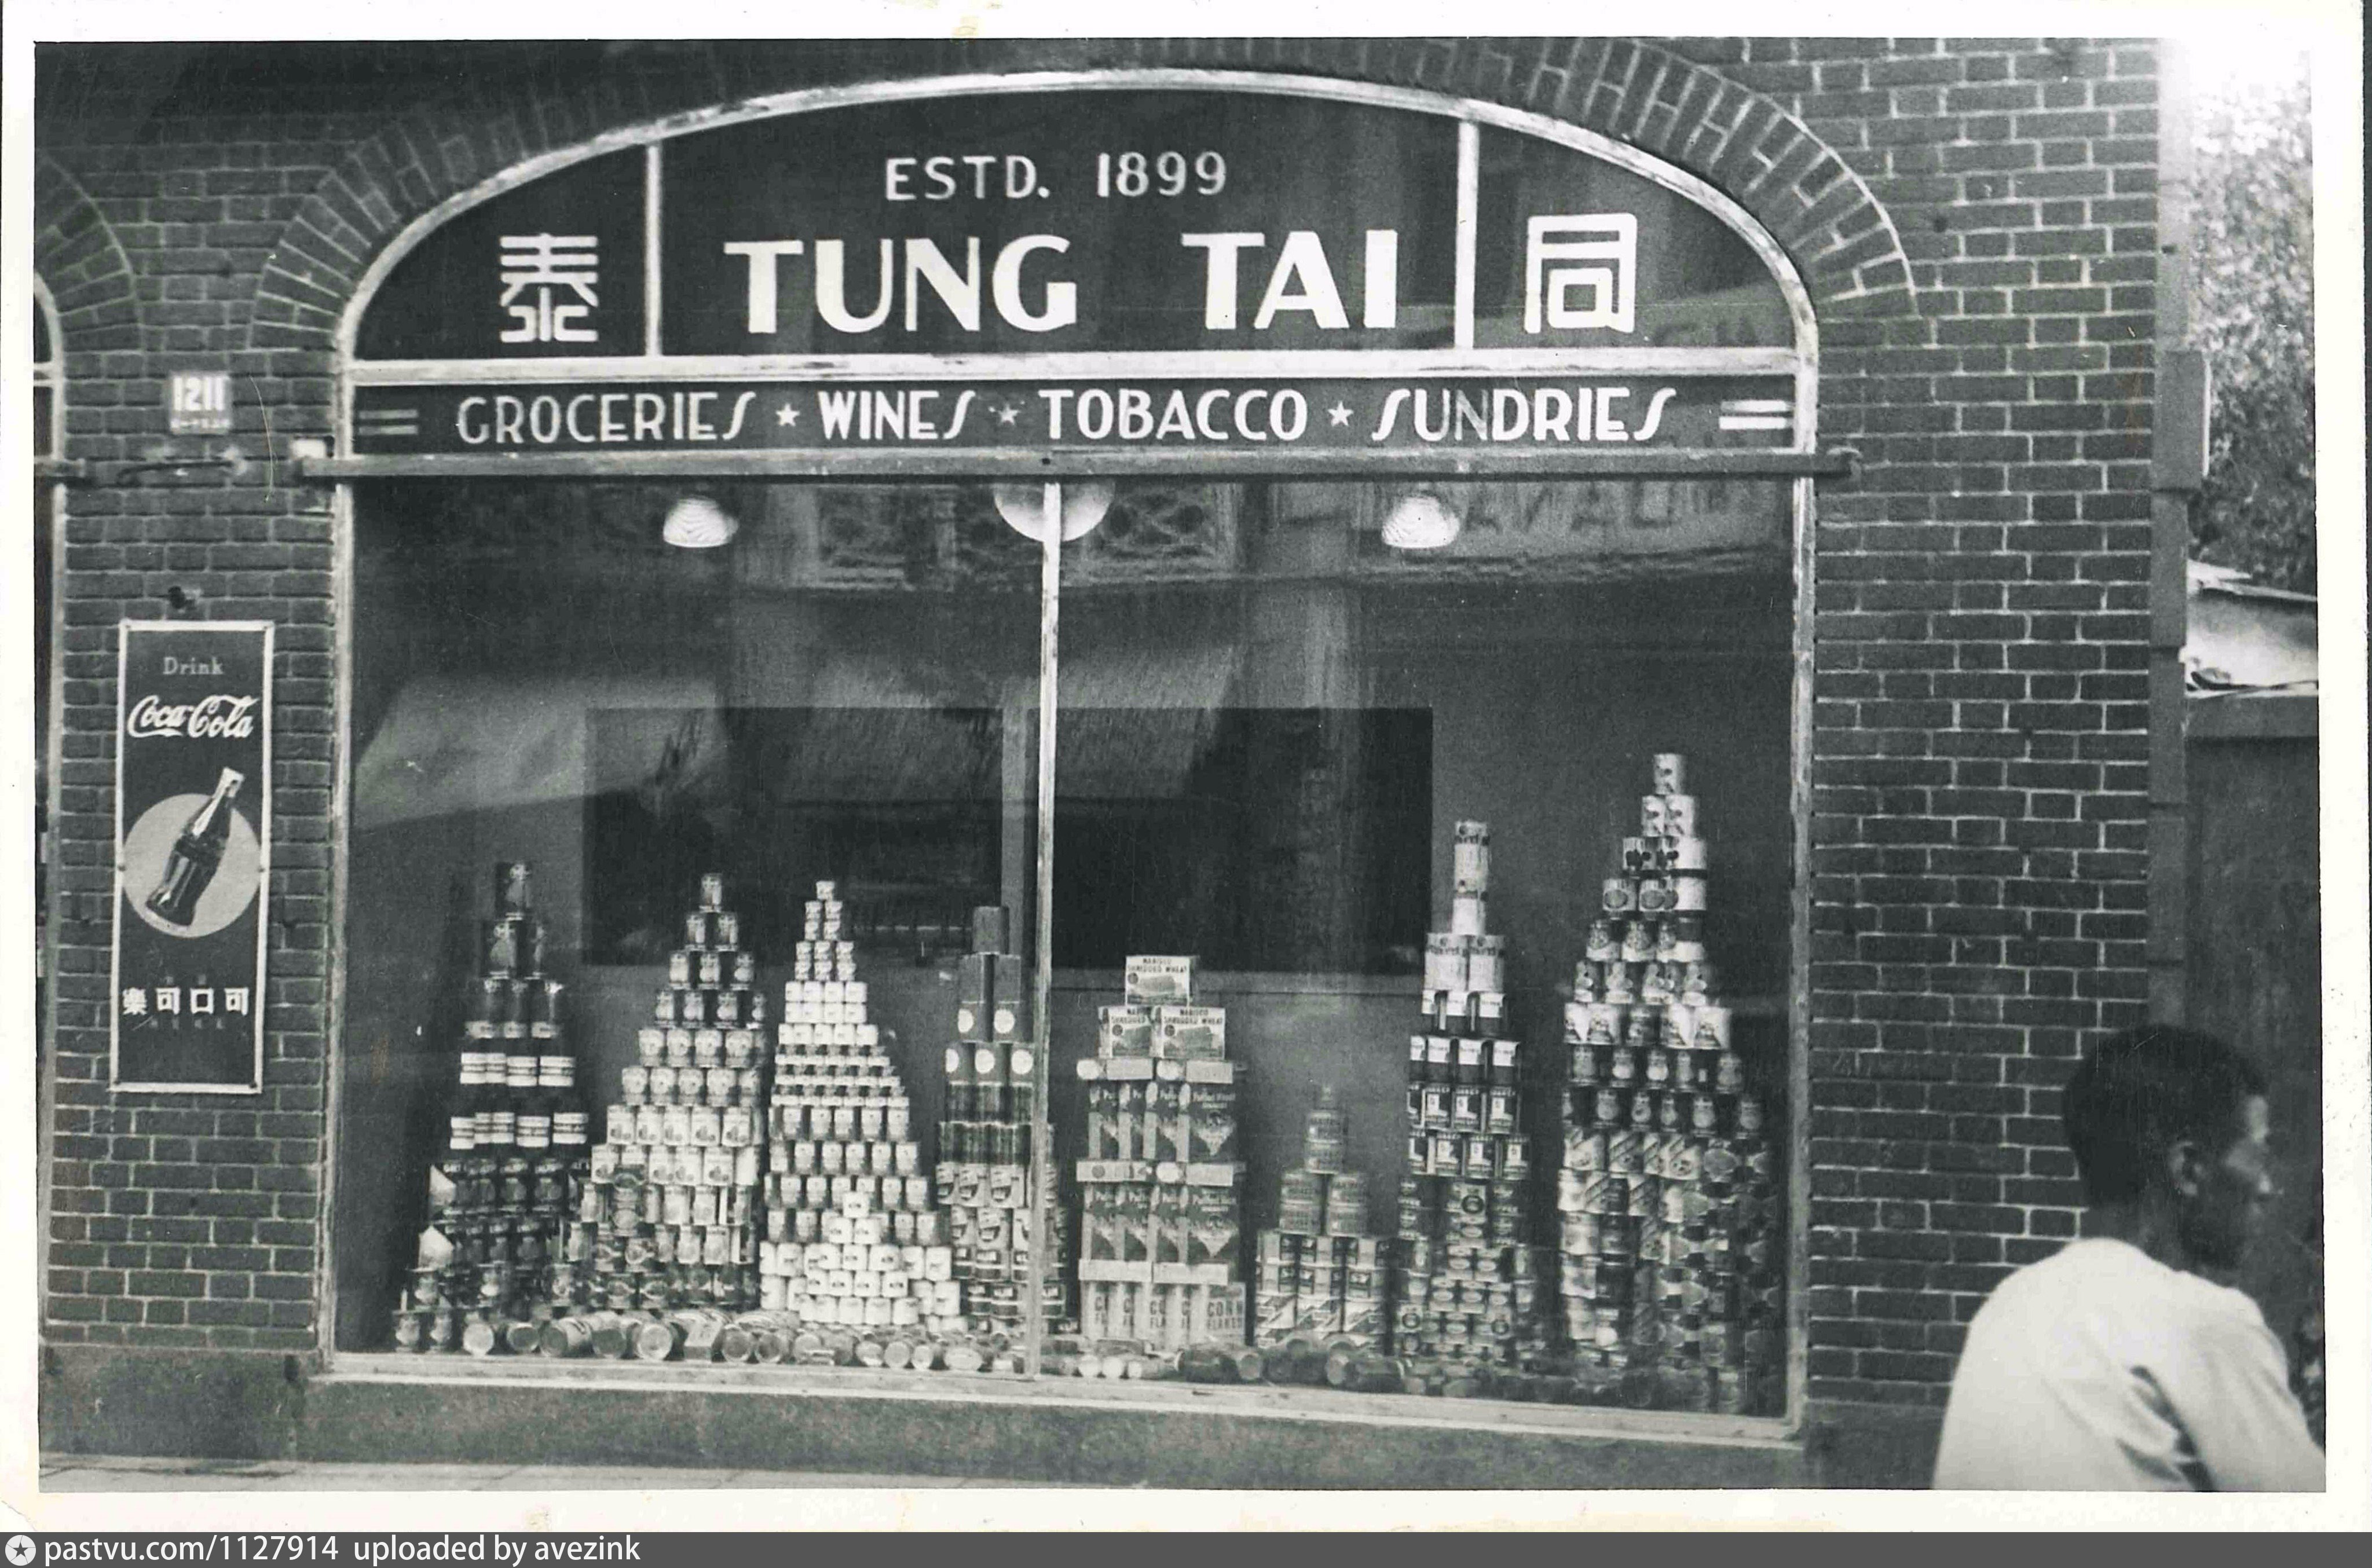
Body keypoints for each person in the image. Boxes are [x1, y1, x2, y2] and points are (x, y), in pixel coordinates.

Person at [1932, 1024, 2324, 1490]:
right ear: (2189, 1170)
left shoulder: (2005, 1307)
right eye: (2259, 1155)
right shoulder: (2208, 1322)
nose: (2267, 1187)